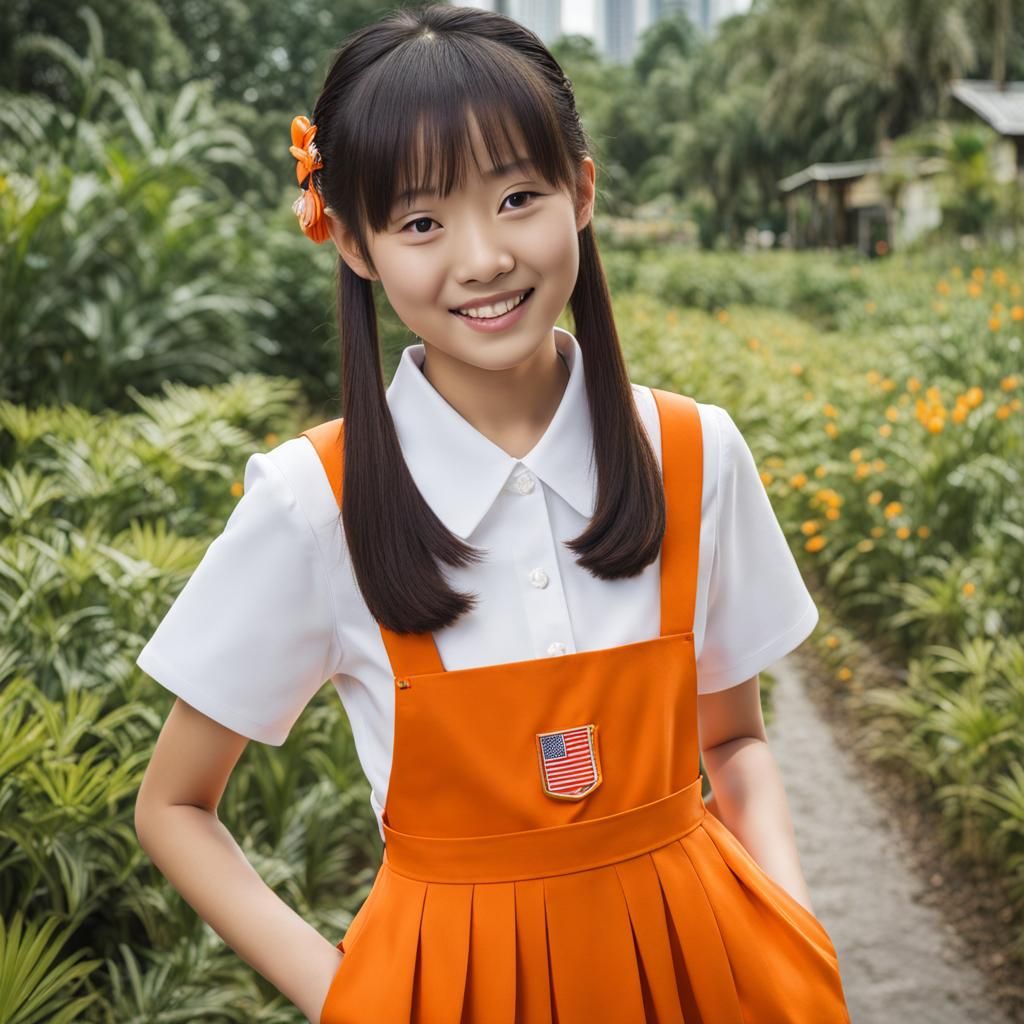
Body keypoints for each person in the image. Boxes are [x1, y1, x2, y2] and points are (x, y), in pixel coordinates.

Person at [133, 4, 853, 1022]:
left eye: (518, 197)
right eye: (422, 222)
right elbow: (172, 805)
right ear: (353, 243)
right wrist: (349, 996)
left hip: (711, 982)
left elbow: (731, 742)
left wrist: (792, 925)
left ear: (582, 192)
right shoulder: (313, 502)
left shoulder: (693, 454)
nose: (481, 258)